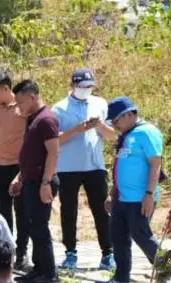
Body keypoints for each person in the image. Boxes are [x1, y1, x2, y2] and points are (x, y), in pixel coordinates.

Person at [95, 97, 171, 283]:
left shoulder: (147, 132)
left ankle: (166, 272)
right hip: (122, 197)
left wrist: (149, 194)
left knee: (142, 235)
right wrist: (112, 193)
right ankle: (121, 279)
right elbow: (120, 167)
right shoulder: (126, 135)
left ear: (130, 114)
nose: (115, 125)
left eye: (116, 121)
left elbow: (156, 165)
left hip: (140, 197)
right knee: (118, 237)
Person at [52, 68, 116, 272]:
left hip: (94, 166)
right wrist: (76, 130)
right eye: (82, 87)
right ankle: (70, 253)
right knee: (68, 211)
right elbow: (55, 140)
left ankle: (108, 253)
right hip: (67, 168)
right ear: (73, 86)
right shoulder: (59, 109)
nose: (86, 90)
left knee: (101, 210)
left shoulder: (100, 103)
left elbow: (111, 135)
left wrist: (98, 126)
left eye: (90, 87)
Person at [10, 79, 60, 283]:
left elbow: (54, 152)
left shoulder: (47, 120)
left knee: (40, 227)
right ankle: (38, 268)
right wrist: (20, 177)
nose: (19, 107)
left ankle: (49, 273)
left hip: (42, 182)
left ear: (32, 97)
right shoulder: (33, 119)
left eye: (21, 102)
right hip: (30, 181)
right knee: (32, 227)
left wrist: (46, 182)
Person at [0, 71, 30, 270]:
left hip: (18, 167)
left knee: (22, 211)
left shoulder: (22, 108)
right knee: (2, 212)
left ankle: (21, 252)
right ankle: (6, 251)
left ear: (5, 88)